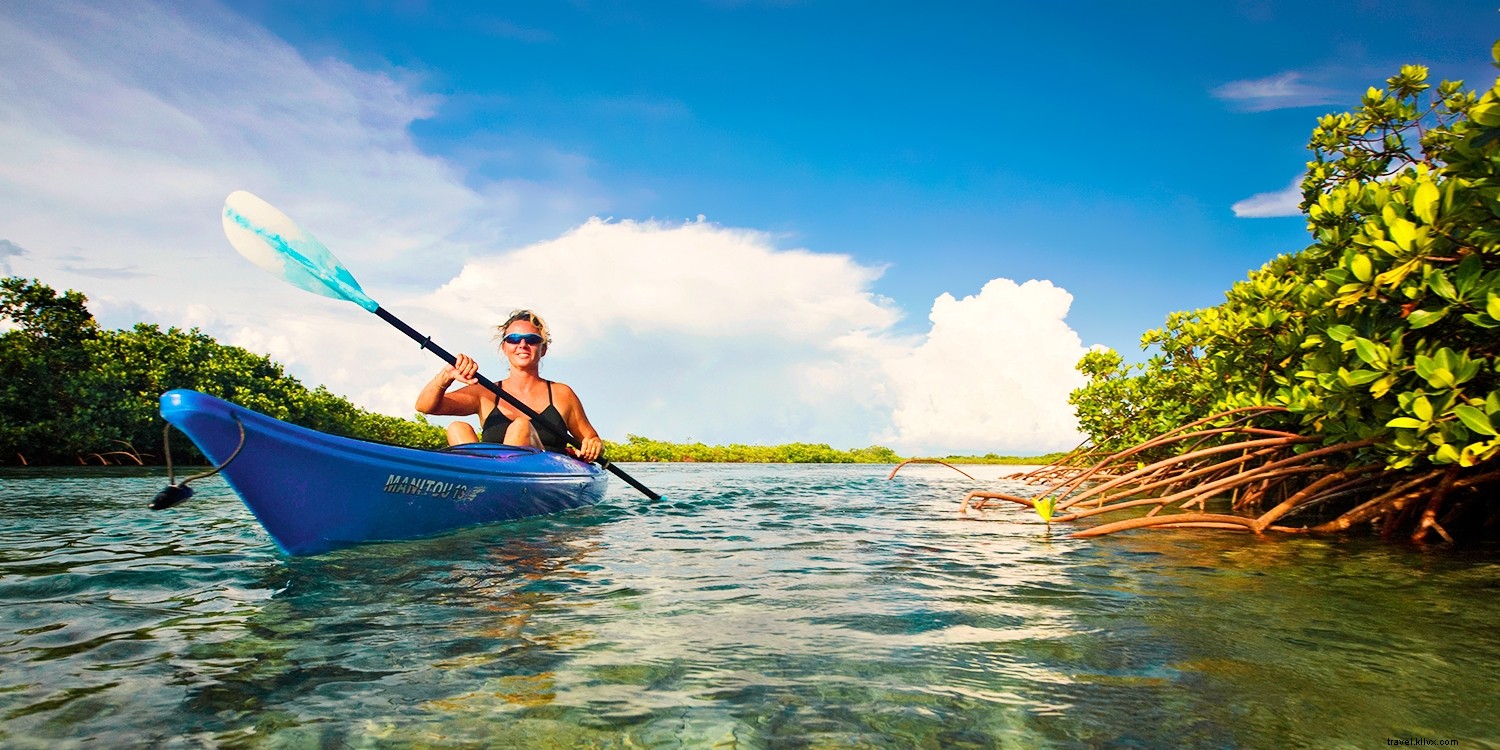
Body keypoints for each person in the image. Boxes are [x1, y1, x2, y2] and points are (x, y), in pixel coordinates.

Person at [415, 309, 604, 462]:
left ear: (543, 349)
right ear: (504, 348)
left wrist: (593, 446)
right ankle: (483, 482)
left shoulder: (562, 394)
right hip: (490, 477)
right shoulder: (485, 392)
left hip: (544, 477)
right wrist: (446, 376)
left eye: (532, 340)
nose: (522, 344)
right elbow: (425, 406)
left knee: (521, 426)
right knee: (457, 427)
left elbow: (591, 439)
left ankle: (494, 483)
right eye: (513, 339)